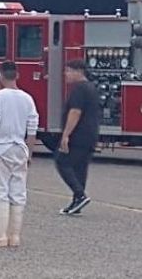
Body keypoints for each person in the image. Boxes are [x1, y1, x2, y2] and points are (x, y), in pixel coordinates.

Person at [0, 61, 38, 248]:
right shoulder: (28, 98)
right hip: (20, 148)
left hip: (0, 148)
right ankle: (15, 236)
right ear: (17, 75)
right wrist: (29, 152)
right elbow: (32, 128)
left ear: (1, 76)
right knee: (18, 192)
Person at [56, 59, 100, 215]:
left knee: (62, 162)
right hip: (90, 134)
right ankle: (77, 201)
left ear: (78, 71)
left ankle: (80, 195)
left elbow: (75, 112)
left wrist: (66, 135)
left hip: (78, 135)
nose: (65, 74)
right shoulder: (91, 88)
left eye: (68, 71)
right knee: (80, 167)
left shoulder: (79, 89)